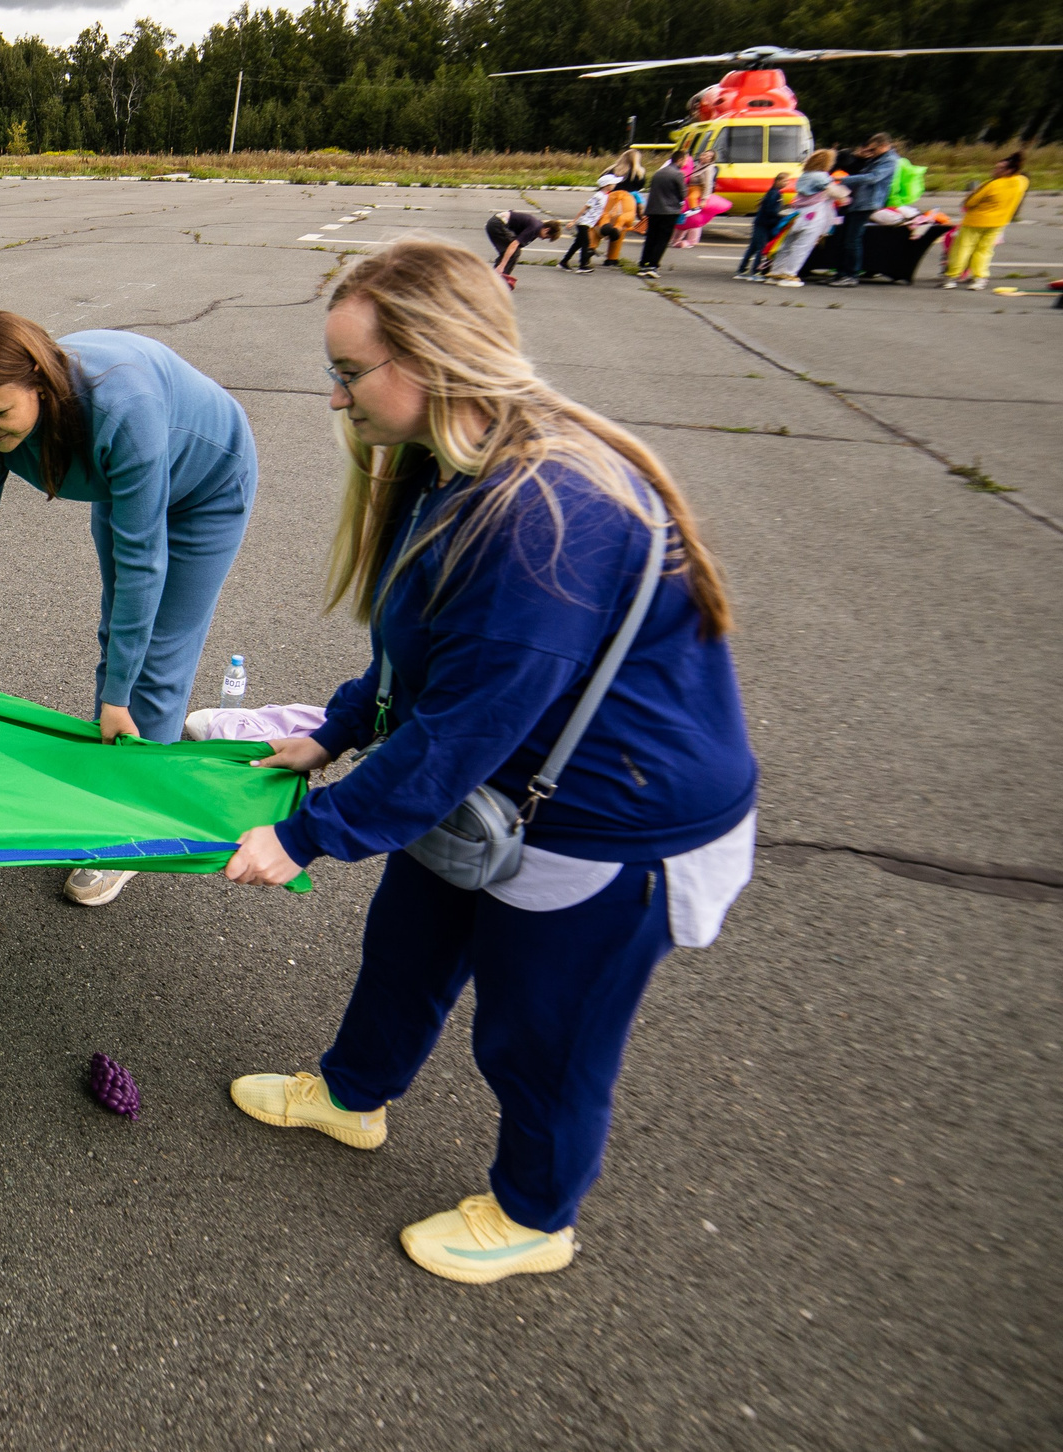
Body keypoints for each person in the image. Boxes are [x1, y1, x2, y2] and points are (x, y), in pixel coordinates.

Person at [220, 235, 756, 1285]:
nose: (336, 401)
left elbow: (461, 728)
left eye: (346, 374)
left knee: (539, 1037)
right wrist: (338, 727)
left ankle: (532, 1216)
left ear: (425, 361)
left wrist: (305, 834)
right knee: (407, 950)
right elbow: (420, 655)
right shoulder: (449, 467)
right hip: (496, 786)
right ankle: (350, 1094)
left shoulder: (544, 520)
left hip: (610, 823)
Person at [0, 312, 257, 908]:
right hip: (122, 483)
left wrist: (119, 695)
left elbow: (144, 565)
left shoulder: (121, 408)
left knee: (157, 649)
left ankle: (131, 829)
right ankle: (129, 741)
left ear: (42, 390)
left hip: (206, 483)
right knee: (116, 630)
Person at [944, 152, 1026, 291]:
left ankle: (952, 277)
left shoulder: (991, 185)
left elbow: (970, 203)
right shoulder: (1021, 182)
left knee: (962, 249)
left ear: (1008, 170)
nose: (994, 171)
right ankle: (980, 278)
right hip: (998, 222)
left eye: (999, 168)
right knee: (984, 251)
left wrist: (971, 194)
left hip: (976, 221)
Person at [764, 150, 847, 288]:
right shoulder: (822, 176)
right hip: (815, 214)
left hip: (798, 213)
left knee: (787, 244)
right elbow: (836, 193)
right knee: (803, 246)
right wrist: (845, 197)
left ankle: (776, 272)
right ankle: (790, 274)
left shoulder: (805, 175)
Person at [829, 134, 899, 287]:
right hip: (856, 202)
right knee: (843, 239)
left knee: (852, 240)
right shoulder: (875, 158)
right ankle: (841, 273)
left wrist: (842, 180)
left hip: (866, 203)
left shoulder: (889, 160)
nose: (870, 151)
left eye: (873, 149)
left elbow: (873, 177)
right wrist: (859, 156)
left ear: (883, 146)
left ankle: (851, 275)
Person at [634, 154, 687, 277]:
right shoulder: (678, 174)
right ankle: (653, 266)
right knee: (662, 239)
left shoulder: (658, 172)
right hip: (669, 211)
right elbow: (683, 194)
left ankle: (643, 264)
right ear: (679, 160)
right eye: (685, 160)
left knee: (651, 238)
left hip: (653, 209)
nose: (685, 163)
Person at [734, 172, 792, 281]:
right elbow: (771, 211)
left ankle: (742, 269)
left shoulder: (773, 193)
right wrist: (781, 216)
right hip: (764, 224)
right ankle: (756, 272)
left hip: (761, 223)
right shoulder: (775, 194)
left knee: (753, 248)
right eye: (785, 181)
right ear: (778, 181)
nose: (786, 183)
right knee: (761, 248)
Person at [558, 177, 614, 273]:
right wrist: (574, 221)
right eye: (613, 184)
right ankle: (583, 265)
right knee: (586, 243)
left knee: (577, 244)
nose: (615, 185)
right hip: (584, 223)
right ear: (606, 185)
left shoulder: (606, 196)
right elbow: (585, 208)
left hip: (589, 223)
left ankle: (564, 262)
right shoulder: (598, 196)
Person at [484, 210, 559, 275]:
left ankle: (496, 276)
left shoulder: (537, 227)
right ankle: (499, 277)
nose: (543, 239)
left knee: (511, 253)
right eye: (546, 237)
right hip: (497, 224)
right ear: (547, 230)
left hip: (498, 222)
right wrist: (502, 266)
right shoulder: (534, 228)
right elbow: (514, 244)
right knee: (514, 252)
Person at [595, 178, 638, 269]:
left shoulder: (603, 195)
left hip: (606, 215)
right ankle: (612, 259)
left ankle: (589, 250)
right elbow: (633, 213)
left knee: (595, 233)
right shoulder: (631, 196)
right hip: (625, 209)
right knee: (619, 234)